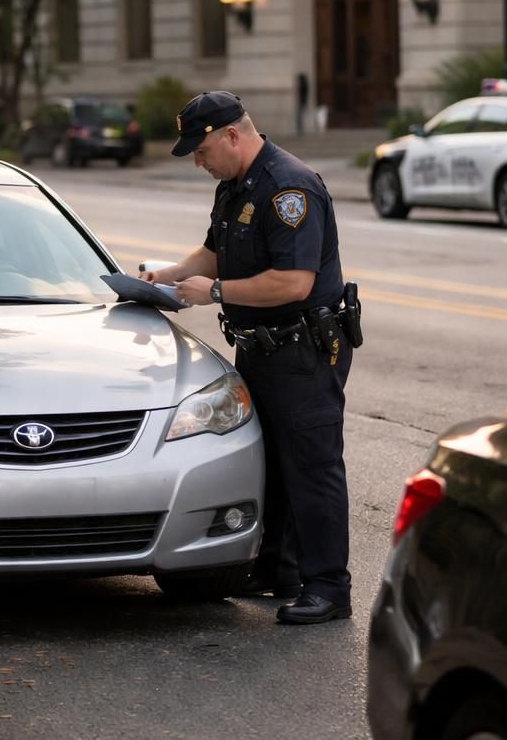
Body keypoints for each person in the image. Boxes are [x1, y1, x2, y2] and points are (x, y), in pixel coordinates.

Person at [141, 90, 355, 626]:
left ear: (231, 135)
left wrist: (212, 294)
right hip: (260, 345)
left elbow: (293, 280)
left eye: (201, 148)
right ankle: (279, 569)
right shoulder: (236, 185)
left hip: (304, 348)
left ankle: (329, 586)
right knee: (272, 464)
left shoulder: (289, 188)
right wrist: (164, 277)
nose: (197, 159)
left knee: (311, 467)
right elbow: (214, 252)